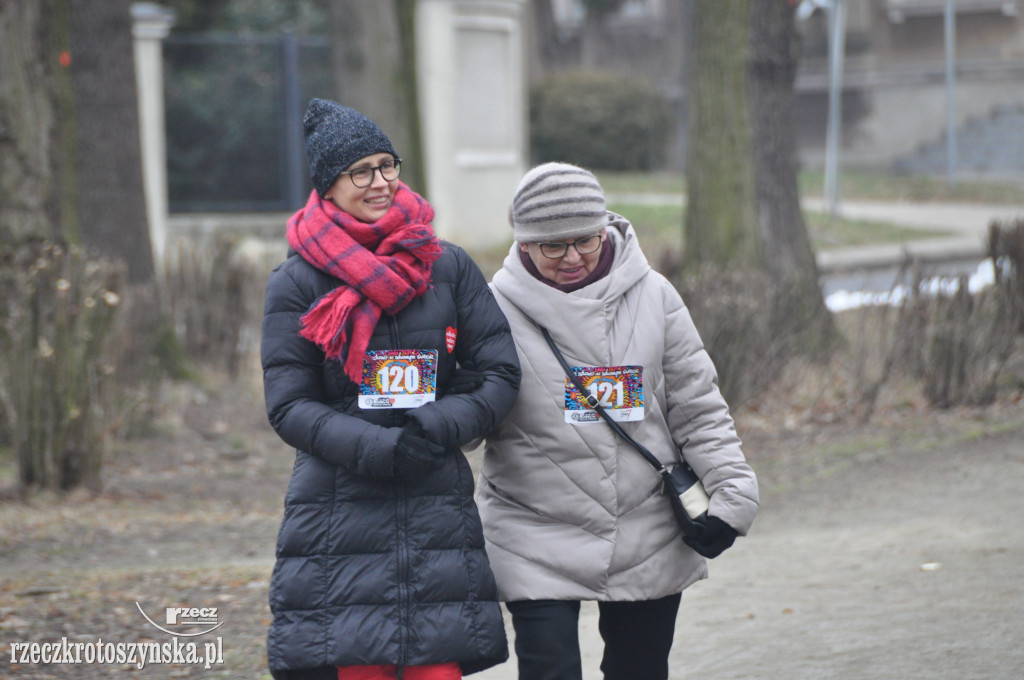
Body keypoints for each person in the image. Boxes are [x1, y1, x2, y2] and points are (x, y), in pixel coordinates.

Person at [261, 98, 520, 680]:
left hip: (435, 504)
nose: (380, 182)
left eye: (388, 166)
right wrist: (379, 447)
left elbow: (498, 373)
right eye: (361, 172)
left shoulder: (447, 267)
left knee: (437, 669)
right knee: (359, 667)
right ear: (328, 186)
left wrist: (436, 424)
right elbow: (289, 405)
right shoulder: (296, 281)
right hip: (336, 511)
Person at [477, 162, 759, 680]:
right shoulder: (492, 309)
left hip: (645, 525)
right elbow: (475, 418)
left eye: (584, 240)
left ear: (605, 225)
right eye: (552, 246)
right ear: (523, 245)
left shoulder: (655, 296)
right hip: (533, 528)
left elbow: (697, 406)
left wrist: (732, 495)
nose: (572, 258)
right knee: (548, 670)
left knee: (640, 669)